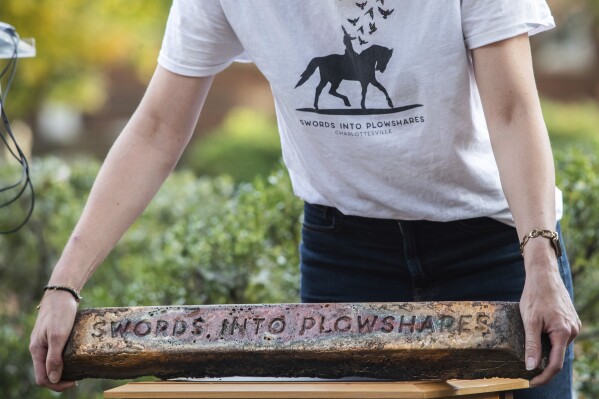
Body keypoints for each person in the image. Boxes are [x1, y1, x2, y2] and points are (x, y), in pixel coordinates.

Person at [29, 1, 581, 398]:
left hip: (496, 245)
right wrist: (64, 284)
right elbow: (155, 130)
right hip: (348, 254)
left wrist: (540, 258)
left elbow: (512, 112)